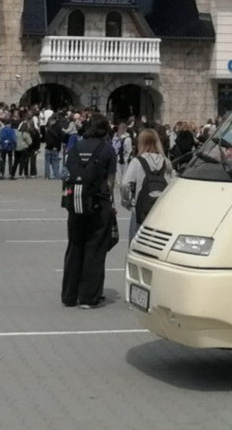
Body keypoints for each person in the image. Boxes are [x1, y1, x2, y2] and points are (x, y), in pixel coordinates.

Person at [60, 114, 116, 307]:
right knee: (95, 249)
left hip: (75, 203)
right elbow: (110, 182)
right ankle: (88, 297)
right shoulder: (107, 149)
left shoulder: (75, 147)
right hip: (98, 204)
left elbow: (67, 172)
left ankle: (69, 295)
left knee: (75, 246)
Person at [117, 128, 172, 244]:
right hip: (160, 209)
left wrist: (126, 201)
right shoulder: (166, 162)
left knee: (135, 244)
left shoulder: (137, 161)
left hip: (140, 209)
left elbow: (125, 183)